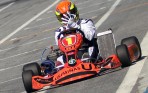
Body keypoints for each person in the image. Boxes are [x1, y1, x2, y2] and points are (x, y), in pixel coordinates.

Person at [41, 0, 100, 75]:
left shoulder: (86, 22)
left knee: (91, 49)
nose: (68, 17)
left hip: (85, 48)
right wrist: (68, 29)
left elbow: (90, 36)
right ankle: (58, 69)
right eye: (64, 16)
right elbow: (60, 45)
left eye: (70, 14)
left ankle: (88, 61)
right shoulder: (59, 31)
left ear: (74, 12)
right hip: (68, 54)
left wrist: (75, 26)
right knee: (55, 60)